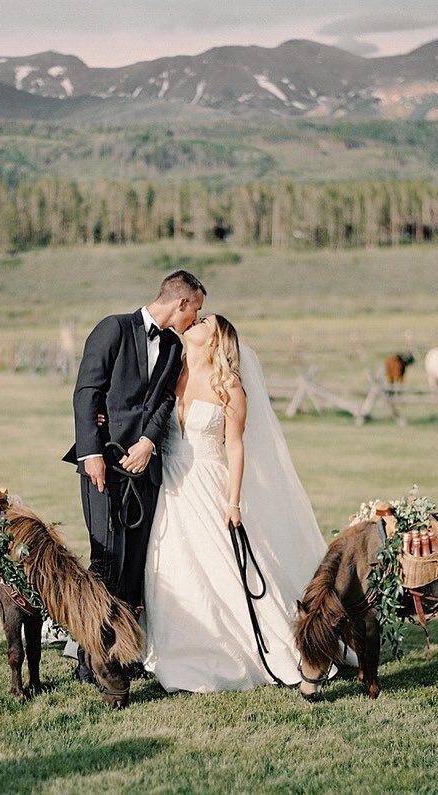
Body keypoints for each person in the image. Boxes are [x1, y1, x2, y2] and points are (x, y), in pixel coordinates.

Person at [141, 314, 334, 691]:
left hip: (210, 484)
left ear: (216, 340)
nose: (196, 320)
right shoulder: (171, 371)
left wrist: (233, 502)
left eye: (206, 320)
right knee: (172, 564)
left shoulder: (228, 385)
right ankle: (179, 646)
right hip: (171, 486)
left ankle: (262, 646)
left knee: (222, 565)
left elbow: (234, 446)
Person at [62, 270, 206, 683]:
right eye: (195, 308)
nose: (196, 318)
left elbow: (163, 400)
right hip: (104, 464)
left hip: (145, 469)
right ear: (181, 302)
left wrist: (148, 442)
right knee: (106, 559)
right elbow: (86, 391)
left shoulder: (175, 346)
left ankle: (123, 653)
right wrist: (91, 453)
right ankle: (91, 658)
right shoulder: (114, 328)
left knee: (134, 564)